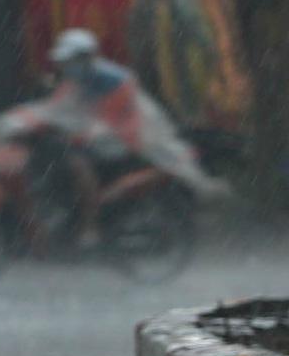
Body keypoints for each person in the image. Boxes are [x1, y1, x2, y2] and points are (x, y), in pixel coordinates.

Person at [18, 28, 222, 248]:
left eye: (71, 60)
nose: (66, 66)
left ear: (85, 57)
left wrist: (80, 130)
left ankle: (91, 226)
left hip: (123, 140)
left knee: (78, 164)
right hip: (104, 137)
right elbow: (59, 108)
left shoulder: (113, 80)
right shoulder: (80, 78)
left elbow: (109, 118)